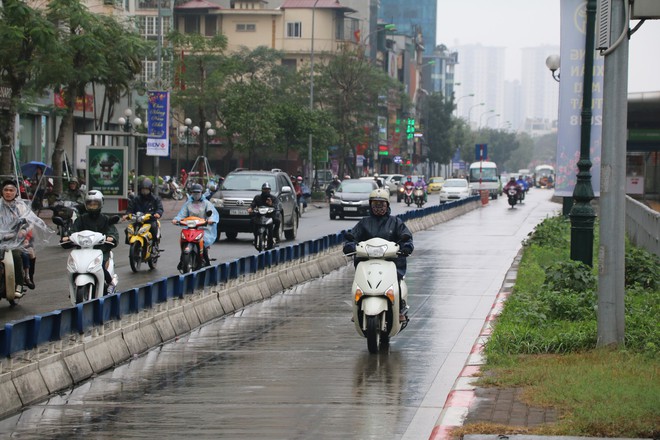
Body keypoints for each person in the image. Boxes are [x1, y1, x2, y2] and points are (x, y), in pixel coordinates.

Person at [342, 188, 414, 322]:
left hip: (391, 261)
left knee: (396, 282)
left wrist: (406, 246)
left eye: (382, 204)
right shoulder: (364, 223)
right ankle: (357, 308)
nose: (378, 207)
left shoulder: (396, 222)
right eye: (375, 204)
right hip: (366, 261)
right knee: (358, 283)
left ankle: (399, 308)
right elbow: (352, 236)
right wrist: (349, 244)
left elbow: (407, 237)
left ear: (387, 205)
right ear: (370, 205)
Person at [0, 180, 52, 296]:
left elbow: (30, 221)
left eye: (11, 190)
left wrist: (23, 231)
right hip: (1, 240)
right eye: (6, 190)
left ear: (16, 192)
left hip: (16, 241)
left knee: (17, 255)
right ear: (2, 192)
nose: (8, 193)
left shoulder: (20, 206)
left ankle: (20, 283)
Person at [61, 190, 118, 294]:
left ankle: (110, 283)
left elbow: (113, 232)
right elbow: (73, 231)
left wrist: (111, 238)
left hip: (101, 250)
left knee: (100, 266)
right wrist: (67, 237)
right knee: (74, 267)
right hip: (82, 250)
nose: (93, 206)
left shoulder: (105, 219)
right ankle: (74, 286)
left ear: (100, 204)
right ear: (86, 205)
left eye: (95, 204)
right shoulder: (81, 219)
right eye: (90, 204)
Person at [172, 183, 219, 267]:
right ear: (191, 193)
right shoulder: (188, 204)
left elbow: (212, 214)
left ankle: (206, 260)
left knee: (203, 242)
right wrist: (176, 220)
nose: (196, 195)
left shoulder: (206, 203)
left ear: (201, 193)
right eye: (194, 193)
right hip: (190, 228)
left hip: (203, 228)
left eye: (198, 193)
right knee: (184, 240)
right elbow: (182, 214)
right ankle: (182, 260)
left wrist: (211, 220)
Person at [123, 178, 164, 249]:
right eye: (143, 189)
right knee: (128, 229)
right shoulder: (136, 199)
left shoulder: (155, 199)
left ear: (150, 189)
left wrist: (157, 213)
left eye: (146, 189)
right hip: (137, 220)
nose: (144, 191)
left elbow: (159, 208)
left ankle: (154, 245)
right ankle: (131, 243)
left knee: (154, 228)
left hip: (150, 220)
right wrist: (127, 214)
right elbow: (130, 209)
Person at [248, 182, 281, 248]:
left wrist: (271, 204)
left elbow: (277, 206)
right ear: (262, 190)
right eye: (265, 189)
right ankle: (255, 237)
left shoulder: (273, 198)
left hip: (270, 216)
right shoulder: (257, 197)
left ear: (270, 190)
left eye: (268, 190)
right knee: (252, 221)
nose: (266, 191)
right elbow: (253, 205)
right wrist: (250, 208)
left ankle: (274, 237)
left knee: (277, 221)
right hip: (259, 216)